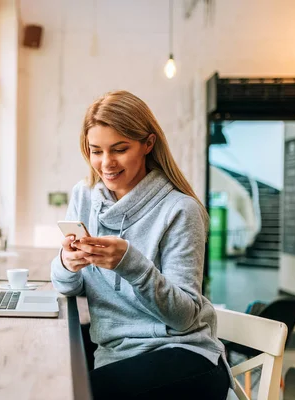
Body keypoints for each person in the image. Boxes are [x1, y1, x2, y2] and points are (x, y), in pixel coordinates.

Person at [50, 91, 232, 400]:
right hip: (115, 354)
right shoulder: (84, 196)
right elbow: (67, 286)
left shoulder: (180, 210)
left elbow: (185, 316)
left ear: (148, 143)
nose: (106, 163)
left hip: (185, 355)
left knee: (69, 394)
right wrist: (67, 262)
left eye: (119, 149)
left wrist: (131, 264)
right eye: (96, 151)